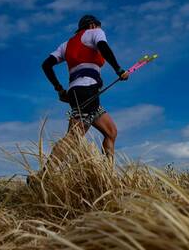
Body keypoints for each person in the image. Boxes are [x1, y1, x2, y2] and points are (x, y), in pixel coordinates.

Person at [40, 14, 128, 171]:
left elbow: (46, 65)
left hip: (79, 93)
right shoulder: (95, 32)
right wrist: (118, 69)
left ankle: (107, 175)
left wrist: (59, 89)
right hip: (87, 91)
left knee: (111, 131)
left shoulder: (65, 45)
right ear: (93, 25)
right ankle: (44, 175)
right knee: (73, 137)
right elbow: (104, 47)